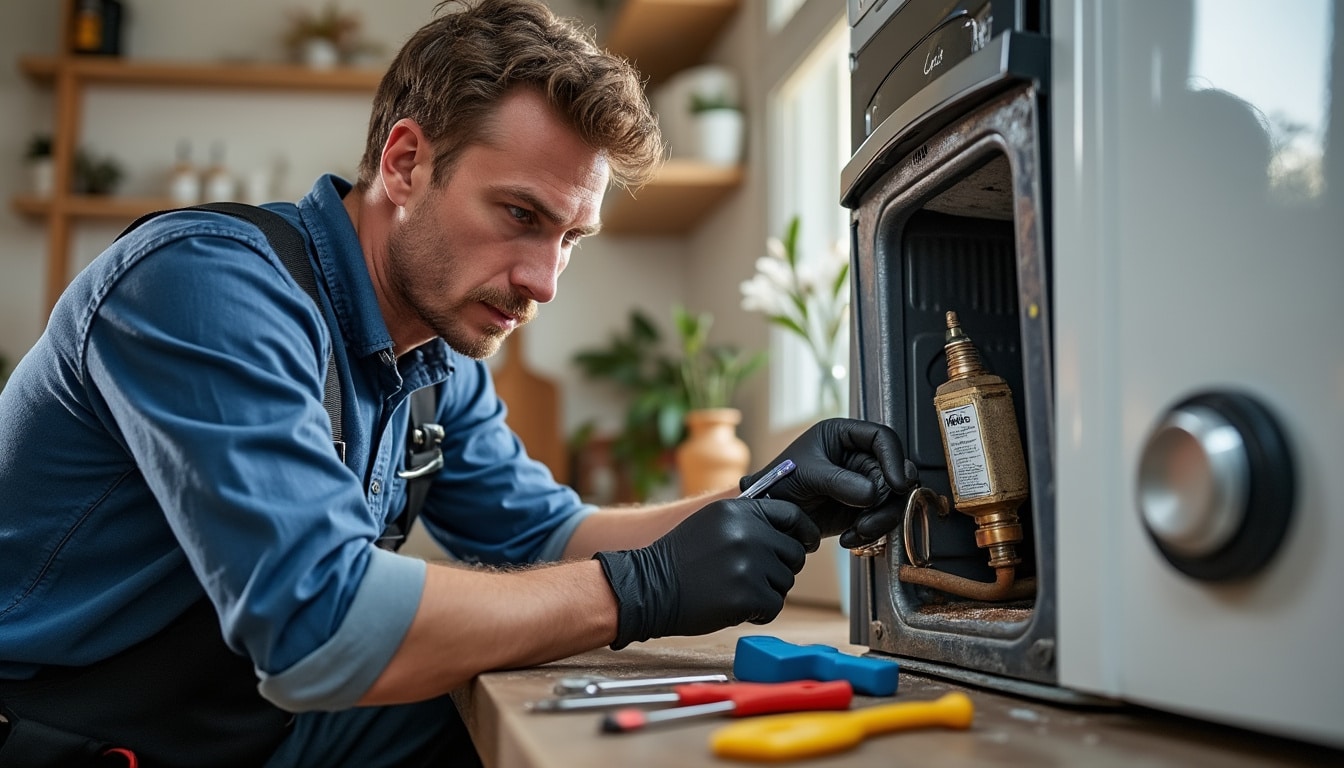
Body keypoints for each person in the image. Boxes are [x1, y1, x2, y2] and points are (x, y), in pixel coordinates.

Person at [0, 1, 914, 765]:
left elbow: (552, 536)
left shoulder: (435, 355)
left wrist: (777, 496)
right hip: (74, 739)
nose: (543, 281)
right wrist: (641, 589)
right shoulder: (207, 288)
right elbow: (319, 629)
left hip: (242, 725)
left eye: (568, 238)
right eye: (519, 214)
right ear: (405, 164)